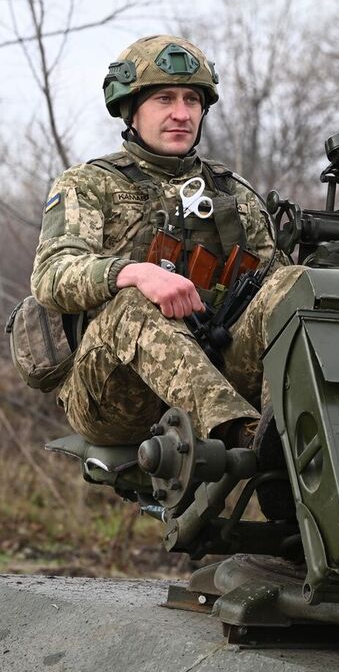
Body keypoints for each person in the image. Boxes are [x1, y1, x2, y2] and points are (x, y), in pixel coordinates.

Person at [31, 35, 298, 455]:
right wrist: (133, 273)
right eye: (164, 99)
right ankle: (242, 436)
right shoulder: (91, 183)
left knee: (294, 285)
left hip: (217, 362)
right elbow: (52, 274)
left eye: (192, 100)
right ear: (130, 109)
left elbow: (275, 289)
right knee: (132, 300)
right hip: (114, 393)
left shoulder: (233, 192)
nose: (181, 113)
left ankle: (289, 432)